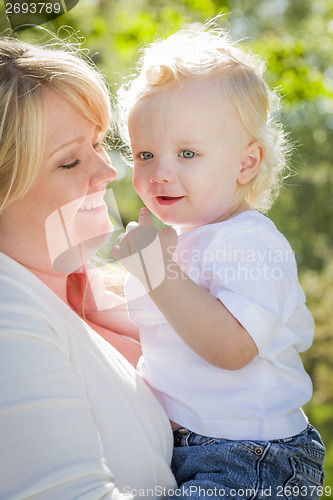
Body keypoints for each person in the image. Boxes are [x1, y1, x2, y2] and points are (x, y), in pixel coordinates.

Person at [86, 25, 326, 498]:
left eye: (187, 153)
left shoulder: (250, 243)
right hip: (189, 446)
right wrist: (88, 302)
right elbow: (167, 329)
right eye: (145, 154)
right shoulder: (179, 243)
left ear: (246, 163)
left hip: (254, 455)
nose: (160, 172)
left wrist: (157, 271)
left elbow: (232, 348)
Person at [0, 36, 177, 499]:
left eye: (99, 144)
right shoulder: (7, 313)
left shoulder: (103, 294)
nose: (107, 171)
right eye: (71, 161)